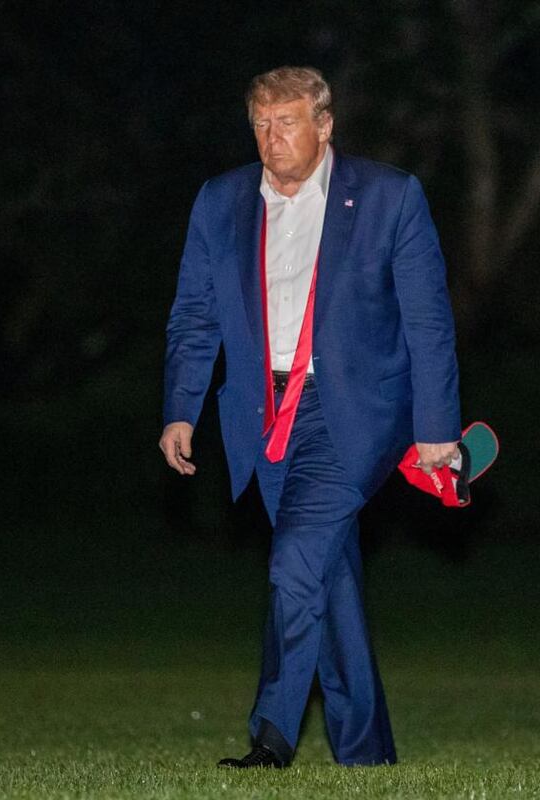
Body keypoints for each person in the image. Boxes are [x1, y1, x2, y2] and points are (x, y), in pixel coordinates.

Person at [159, 66, 461, 768]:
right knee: (328, 578)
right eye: (261, 125)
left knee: (294, 562)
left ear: (324, 125)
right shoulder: (221, 201)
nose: (272, 140)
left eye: (287, 123)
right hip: (263, 412)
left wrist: (437, 427)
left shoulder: (389, 197)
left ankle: (271, 736)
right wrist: (180, 408)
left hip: (352, 409)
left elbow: (428, 321)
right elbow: (194, 315)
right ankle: (365, 751)